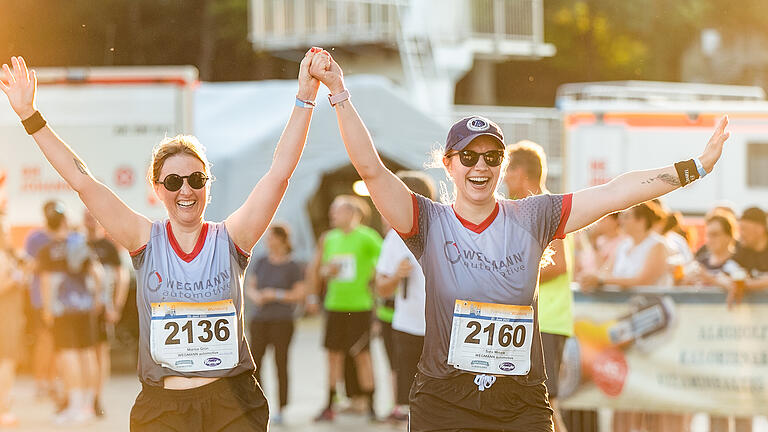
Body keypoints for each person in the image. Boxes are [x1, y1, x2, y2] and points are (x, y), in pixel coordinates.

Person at [307, 48, 729, 431]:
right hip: (444, 401)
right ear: (449, 164)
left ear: (502, 165)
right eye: (469, 156)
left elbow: (616, 192)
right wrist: (339, 91)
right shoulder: (428, 221)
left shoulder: (534, 215)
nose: (481, 166)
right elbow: (372, 170)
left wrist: (697, 166)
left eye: (492, 157)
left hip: (521, 404)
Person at [1, 49, 322, 431]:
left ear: (207, 185)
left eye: (196, 179)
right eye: (173, 181)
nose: (185, 190)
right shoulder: (144, 238)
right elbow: (82, 181)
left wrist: (306, 96)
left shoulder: (233, 237)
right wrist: (29, 116)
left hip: (232, 403)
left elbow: (279, 173)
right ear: (157, 189)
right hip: (164, 407)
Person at [505, 140, 573, 432]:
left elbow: (559, 265)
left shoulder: (547, 208)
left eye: (507, 170)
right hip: (533, 320)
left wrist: (506, 275)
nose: (503, 177)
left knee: (545, 401)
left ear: (520, 172)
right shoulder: (522, 210)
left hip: (547, 320)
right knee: (528, 401)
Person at [307, 195, 382, 421]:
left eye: (335, 211)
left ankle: (371, 408)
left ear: (351, 213)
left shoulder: (368, 237)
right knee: (333, 356)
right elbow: (317, 269)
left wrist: (375, 279)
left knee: (362, 356)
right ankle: (329, 405)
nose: (331, 215)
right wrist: (321, 279)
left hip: (360, 307)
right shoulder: (329, 238)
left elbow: (386, 262)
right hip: (335, 306)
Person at [374, 171, 435, 422]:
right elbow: (381, 287)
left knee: (438, 398)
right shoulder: (395, 237)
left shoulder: (444, 229)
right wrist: (397, 276)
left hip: (441, 330)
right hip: (407, 328)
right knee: (409, 401)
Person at [37, 202, 103, 425]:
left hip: (62, 310)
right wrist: (97, 299)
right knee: (87, 354)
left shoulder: (48, 250)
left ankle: (74, 405)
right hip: (85, 307)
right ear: (65, 221)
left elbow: (47, 284)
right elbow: (98, 274)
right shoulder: (80, 243)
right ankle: (88, 406)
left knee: (68, 356)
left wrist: (47, 311)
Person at [245, 223, 304, 425]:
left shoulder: (292, 265)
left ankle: (282, 408)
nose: (267, 240)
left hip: (282, 321)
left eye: (270, 237)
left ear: (281, 239)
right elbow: (250, 287)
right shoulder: (261, 261)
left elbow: (299, 294)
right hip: (260, 320)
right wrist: (257, 296)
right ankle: (259, 404)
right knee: (255, 364)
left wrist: (275, 295)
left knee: (281, 363)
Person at [83, 209, 130, 417]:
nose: (90, 221)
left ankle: (96, 397)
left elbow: (123, 277)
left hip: (103, 310)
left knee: (100, 352)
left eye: (93, 217)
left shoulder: (108, 247)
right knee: (82, 353)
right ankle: (79, 396)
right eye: (87, 217)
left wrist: (116, 306)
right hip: (81, 310)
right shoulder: (79, 244)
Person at [0, 218, 25, 427]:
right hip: (4, 318)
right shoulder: (1, 257)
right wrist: (16, 278)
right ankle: (3, 409)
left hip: (8, 317)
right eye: (6, 232)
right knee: (6, 362)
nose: (9, 236)